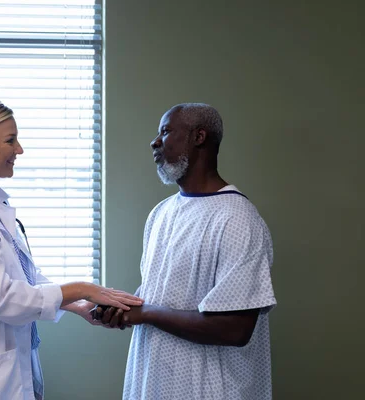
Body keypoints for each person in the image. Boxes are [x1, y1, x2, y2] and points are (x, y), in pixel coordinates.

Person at [0, 93, 143, 400]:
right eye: (10, 141)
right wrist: (81, 289)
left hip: (1, 373)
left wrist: (78, 306)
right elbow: (4, 299)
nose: (19, 149)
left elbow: (24, 278)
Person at [97, 103, 276, 399]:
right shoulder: (161, 213)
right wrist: (124, 309)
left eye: (166, 132)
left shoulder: (237, 219)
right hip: (154, 382)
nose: (154, 142)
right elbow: (161, 298)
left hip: (212, 391)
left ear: (199, 137)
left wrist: (146, 314)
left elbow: (234, 329)